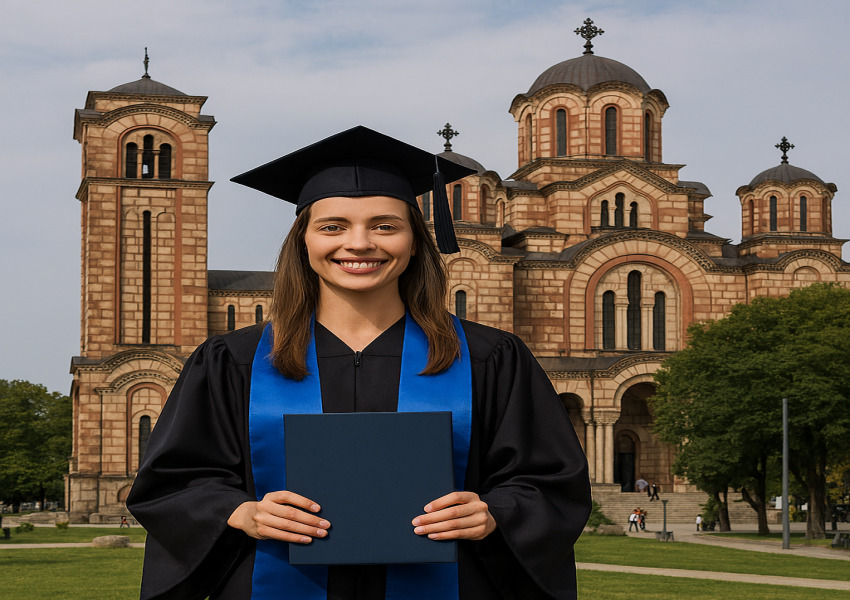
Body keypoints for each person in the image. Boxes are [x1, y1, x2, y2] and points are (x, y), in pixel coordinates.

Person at [126, 126, 592, 600]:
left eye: (385, 225)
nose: (360, 243)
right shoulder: (235, 362)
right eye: (333, 226)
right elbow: (174, 482)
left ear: (415, 241)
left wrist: (496, 512)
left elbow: (549, 483)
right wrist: (241, 512)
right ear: (303, 242)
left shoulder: (490, 358)